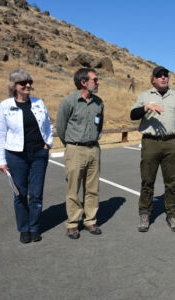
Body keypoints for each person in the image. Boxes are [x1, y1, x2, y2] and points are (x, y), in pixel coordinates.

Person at [0, 69, 53, 244]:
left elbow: (48, 125)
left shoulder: (38, 103)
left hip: (38, 154)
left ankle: (34, 227)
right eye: (23, 83)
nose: (28, 85)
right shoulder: (5, 105)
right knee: (20, 193)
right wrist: (1, 160)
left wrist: (47, 144)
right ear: (14, 86)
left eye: (29, 82)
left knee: (36, 194)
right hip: (15, 156)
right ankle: (24, 228)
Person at [130, 66, 175, 232]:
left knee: (171, 181)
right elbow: (133, 114)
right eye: (160, 76)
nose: (163, 78)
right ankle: (145, 213)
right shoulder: (145, 96)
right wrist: (146, 108)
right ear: (153, 79)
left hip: (171, 143)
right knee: (147, 180)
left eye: (166, 75)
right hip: (151, 142)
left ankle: (172, 214)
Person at [56, 68, 104, 239]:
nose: (98, 83)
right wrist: (70, 145)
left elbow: (100, 124)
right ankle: (73, 223)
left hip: (94, 149)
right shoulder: (69, 102)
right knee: (73, 188)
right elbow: (60, 127)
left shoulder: (99, 102)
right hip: (75, 149)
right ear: (83, 82)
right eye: (95, 80)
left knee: (92, 188)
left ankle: (90, 220)